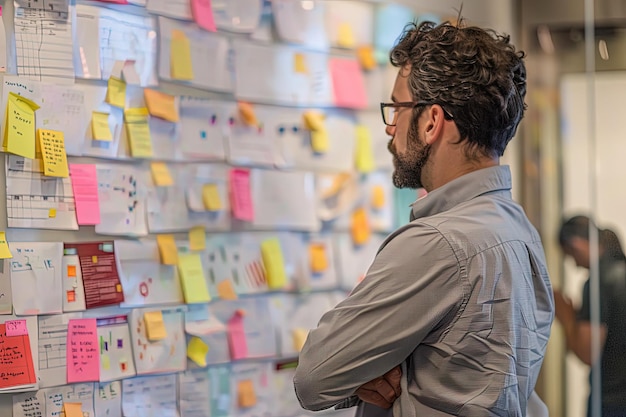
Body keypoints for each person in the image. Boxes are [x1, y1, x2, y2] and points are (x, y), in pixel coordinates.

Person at [293, 19, 554, 417]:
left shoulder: (437, 242)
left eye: (397, 108)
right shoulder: (519, 229)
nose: (390, 127)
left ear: (431, 121)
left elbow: (314, 378)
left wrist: (369, 369)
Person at [555, 215, 626, 417]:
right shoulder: (620, 269)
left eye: (571, 256)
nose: (576, 265)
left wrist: (567, 317)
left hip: (611, 400)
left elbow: (588, 352)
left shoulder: (598, 282)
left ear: (576, 245)